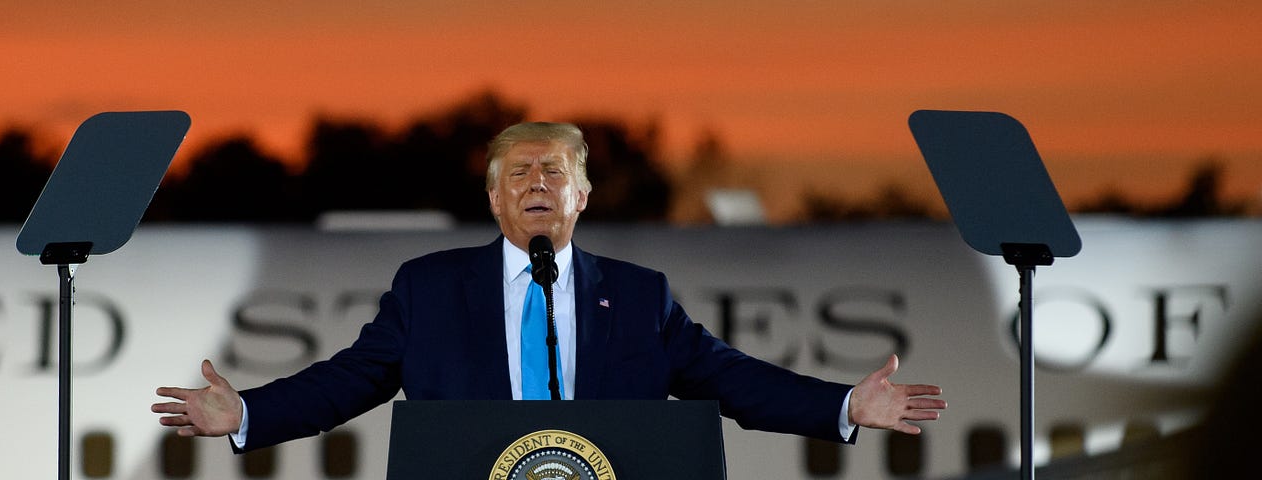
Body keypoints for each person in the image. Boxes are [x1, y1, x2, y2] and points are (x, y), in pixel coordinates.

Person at [153, 121, 945, 451]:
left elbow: (729, 378)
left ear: (582, 197)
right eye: (519, 172)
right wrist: (249, 412)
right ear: (494, 199)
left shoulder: (640, 296)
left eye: (554, 172)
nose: (537, 183)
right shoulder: (428, 291)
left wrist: (844, 404)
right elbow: (348, 381)